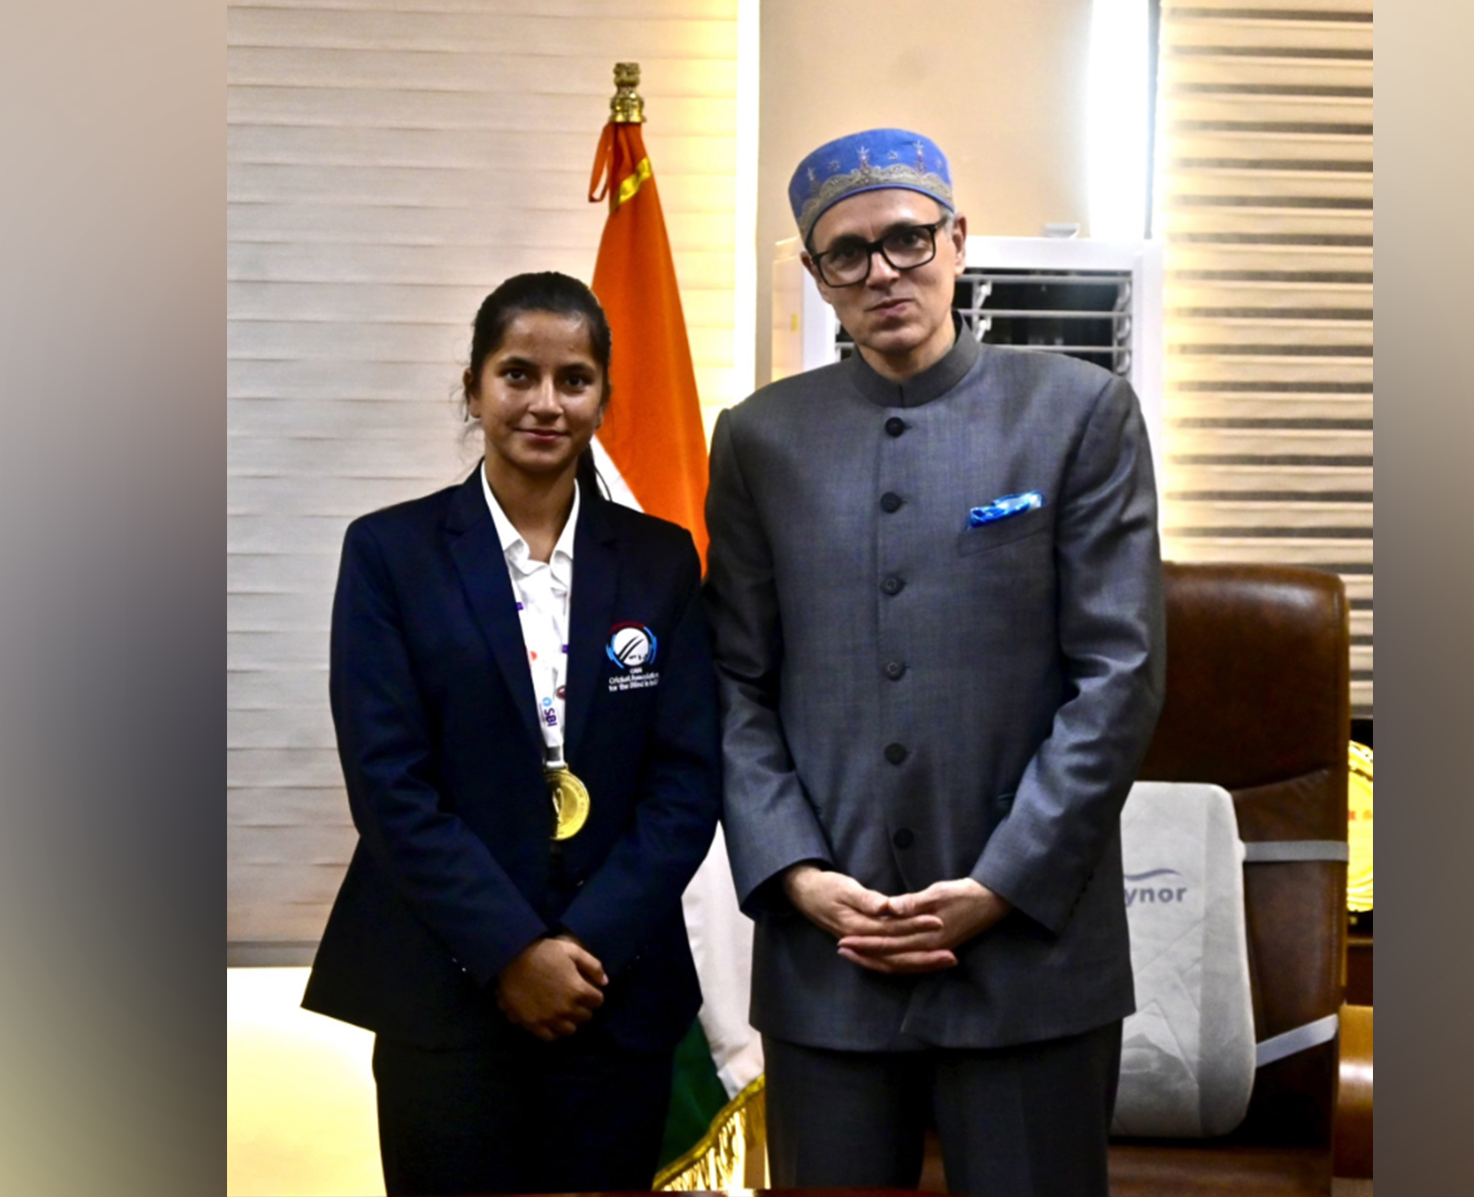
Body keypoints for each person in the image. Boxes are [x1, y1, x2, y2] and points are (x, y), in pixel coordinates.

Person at [703, 129, 1166, 1196]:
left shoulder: (1078, 413)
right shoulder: (760, 438)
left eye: (907, 238)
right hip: (831, 955)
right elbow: (735, 681)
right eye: (847, 254)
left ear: (957, 241)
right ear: (818, 278)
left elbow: (1119, 675)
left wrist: (1001, 883)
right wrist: (798, 875)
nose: (882, 272)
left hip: (1029, 957)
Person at [301, 272, 722, 1196]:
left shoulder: (658, 561)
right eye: (517, 373)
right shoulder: (389, 554)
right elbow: (389, 785)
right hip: (444, 990)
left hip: (614, 994)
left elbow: (688, 781)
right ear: (474, 387)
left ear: (604, 398)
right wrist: (511, 952)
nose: (545, 402)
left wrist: (584, 949)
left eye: (574, 379)